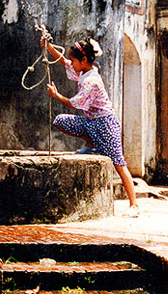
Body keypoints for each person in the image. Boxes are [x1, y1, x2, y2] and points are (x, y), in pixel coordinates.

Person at [41, 35, 140, 217]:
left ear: (84, 60)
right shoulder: (84, 70)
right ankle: (91, 143)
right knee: (61, 121)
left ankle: (134, 204)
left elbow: (75, 103)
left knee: (119, 163)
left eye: (74, 60)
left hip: (105, 123)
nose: (72, 63)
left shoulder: (91, 80)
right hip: (91, 123)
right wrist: (49, 47)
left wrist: (56, 95)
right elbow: (65, 62)